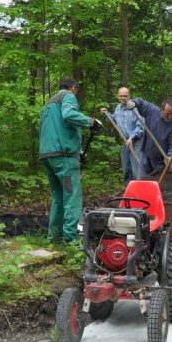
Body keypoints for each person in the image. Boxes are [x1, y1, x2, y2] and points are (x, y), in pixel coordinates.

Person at [39, 77, 101, 243]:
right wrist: (91, 122)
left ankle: (53, 237)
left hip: (48, 155)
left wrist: (79, 151)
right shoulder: (68, 96)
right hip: (63, 156)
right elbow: (69, 115)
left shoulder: (48, 105)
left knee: (58, 197)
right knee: (72, 197)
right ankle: (70, 240)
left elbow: (58, 130)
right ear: (73, 88)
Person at [130, 97, 172, 179]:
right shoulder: (153, 112)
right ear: (161, 110)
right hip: (145, 156)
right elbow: (141, 102)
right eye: (167, 113)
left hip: (160, 162)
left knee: (159, 185)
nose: (170, 116)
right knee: (142, 181)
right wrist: (133, 103)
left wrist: (170, 157)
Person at [110, 86, 144, 185]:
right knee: (125, 166)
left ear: (129, 96)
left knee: (135, 167)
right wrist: (107, 114)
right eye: (121, 96)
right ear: (118, 97)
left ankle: (138, 187)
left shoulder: (134, 108)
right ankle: (127, 187)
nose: (123, 98)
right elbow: (114, 120)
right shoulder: (118, 108)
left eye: (125, 95)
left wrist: (132, 137)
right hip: (126, 141)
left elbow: (141, 125)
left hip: (137, 141)